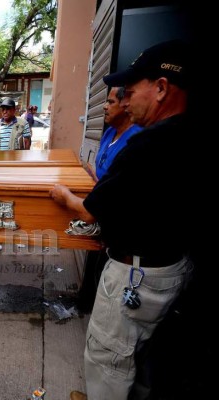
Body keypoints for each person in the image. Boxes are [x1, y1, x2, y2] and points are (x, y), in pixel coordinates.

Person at [49, 40, 195, 400]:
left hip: (136, 275)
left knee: (108, 360)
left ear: (161, 88)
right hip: (172, 267)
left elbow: (90, 209)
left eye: (129, 92)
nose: (124, 102)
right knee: (143, 355)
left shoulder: (148, 145)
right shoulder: (189, 134)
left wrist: (63, 195)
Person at [78, 87, 142, 313]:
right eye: (104, 101)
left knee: (107, 276)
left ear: (126, 105)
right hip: (100, 214)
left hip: (114, 220)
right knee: (95, 268)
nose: (104, 106)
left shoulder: (136, 140)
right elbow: (101, 175)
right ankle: (88, 304)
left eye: (110, 101)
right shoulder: (108, 133)